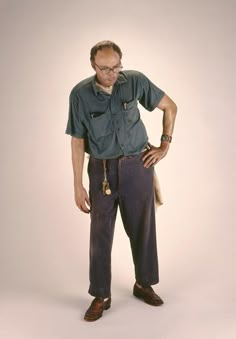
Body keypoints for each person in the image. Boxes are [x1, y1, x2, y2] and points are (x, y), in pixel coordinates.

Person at [65, 40, 177, 322]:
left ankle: (144, 284)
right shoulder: (80, 95)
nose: (112, 73)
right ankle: (101, 295)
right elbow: (77, 142)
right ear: (93, 66)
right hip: (101, 172)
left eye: (116, 67)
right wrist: (77, 185)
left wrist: (164, 146)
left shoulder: (135, 81)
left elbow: (170, 107)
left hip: (138, 167)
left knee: (143, 228)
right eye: (105, 69)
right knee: (100, 235)